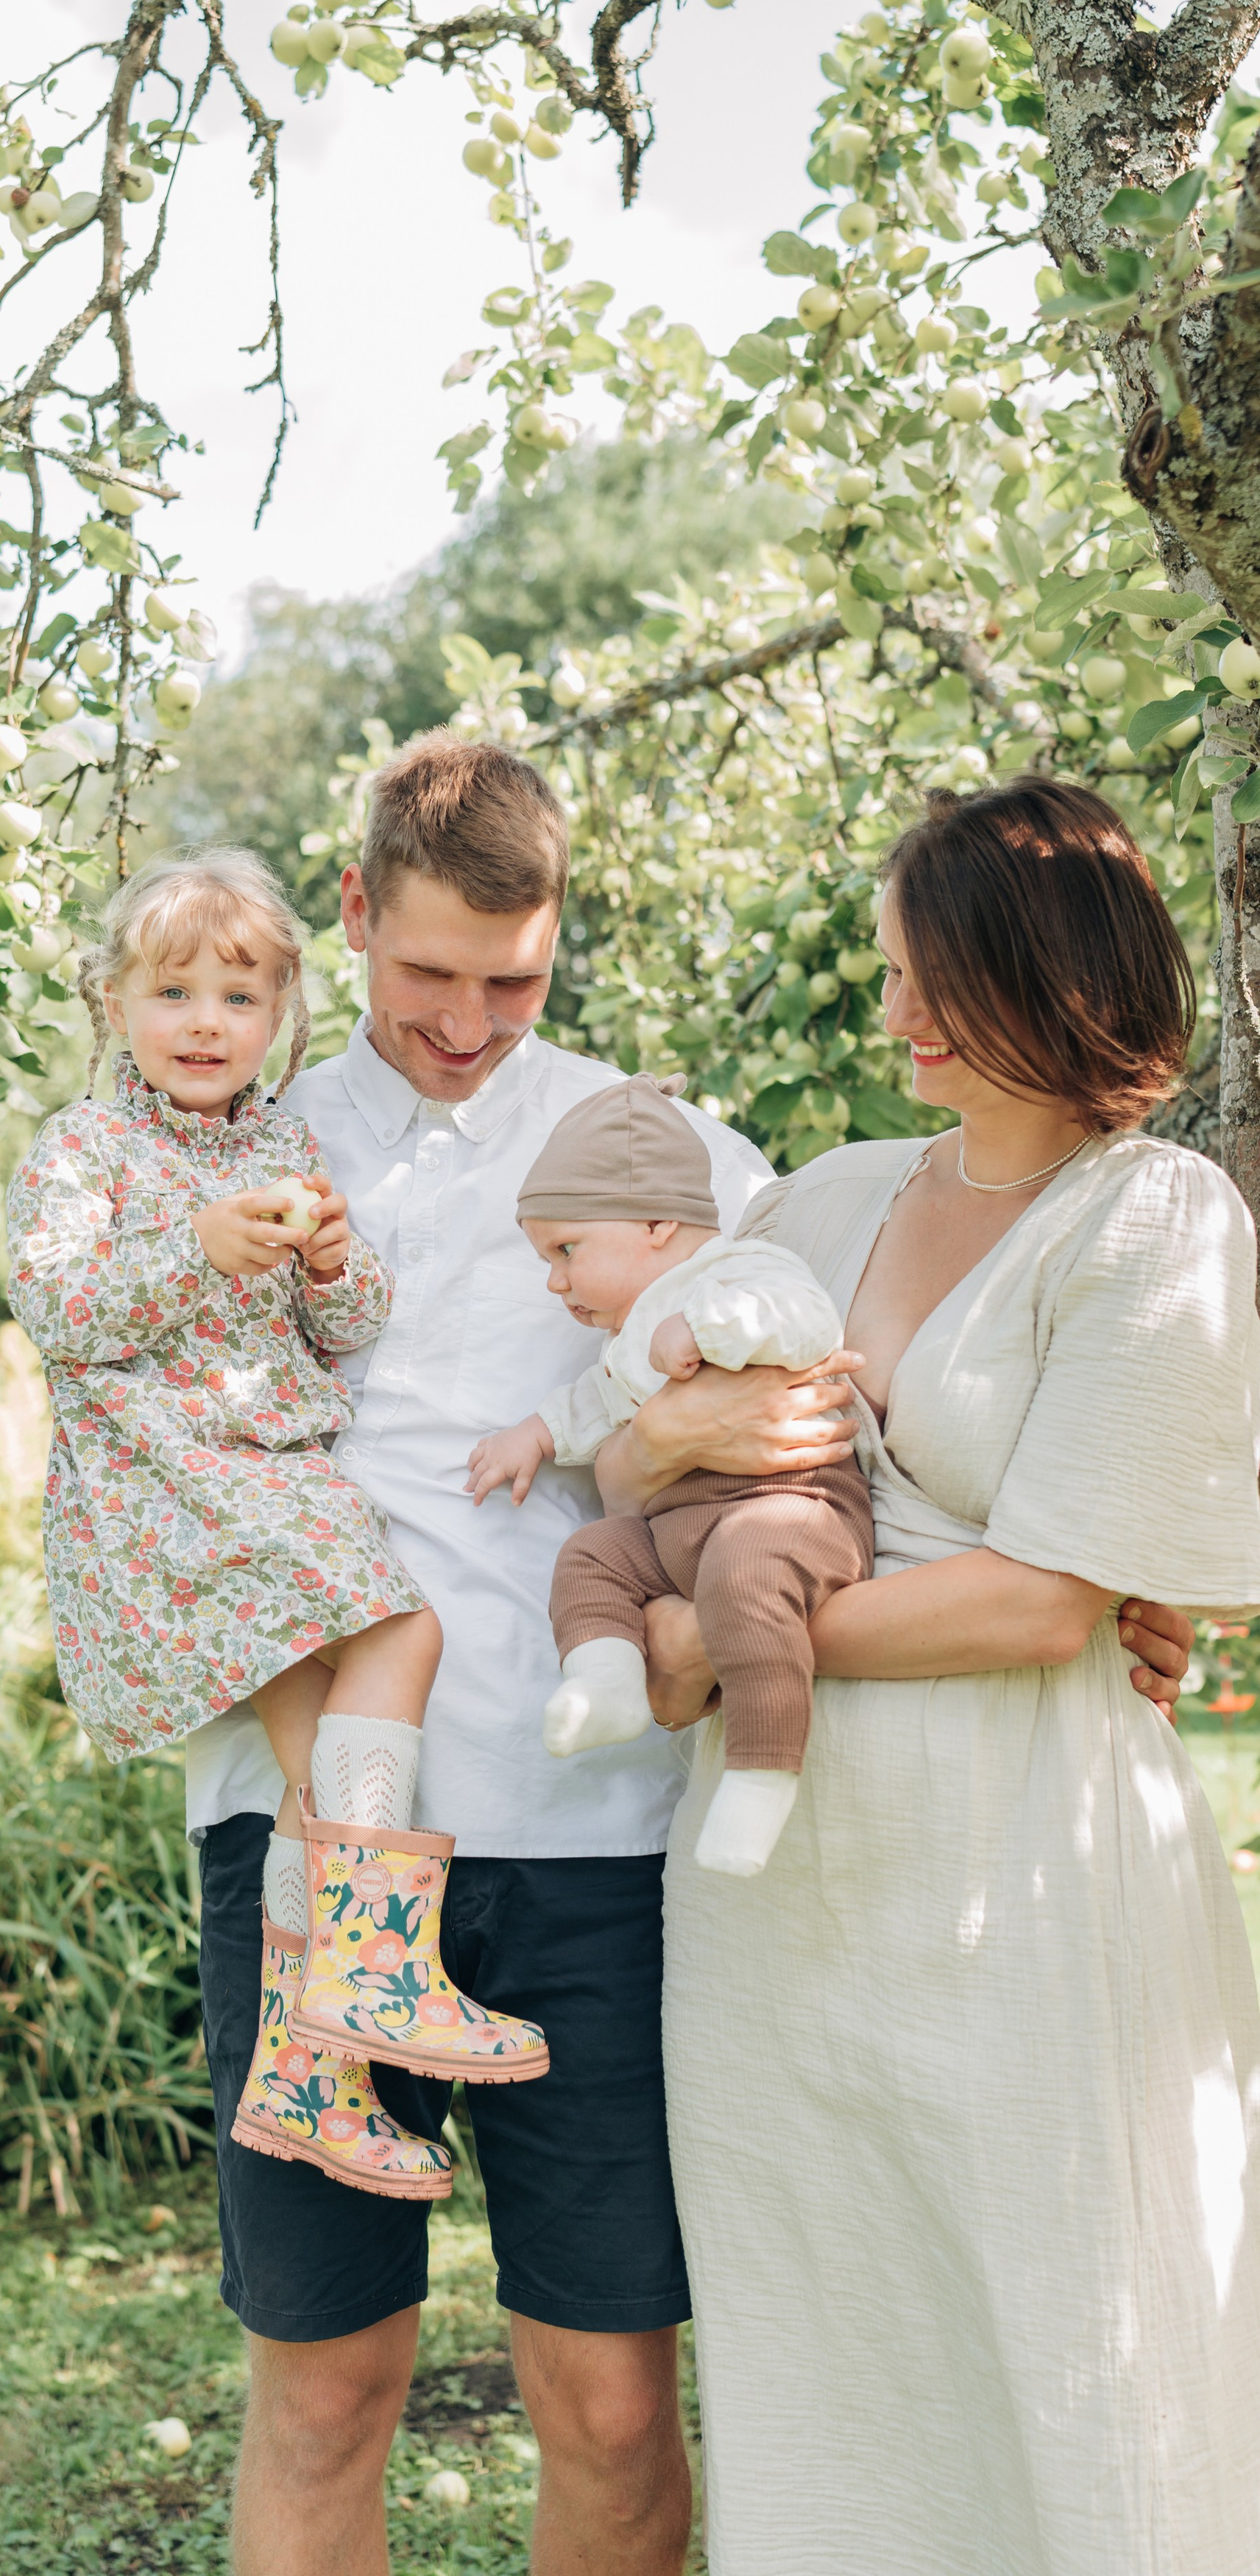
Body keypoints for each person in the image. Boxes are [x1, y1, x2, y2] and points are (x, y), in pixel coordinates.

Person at [192, 736, 1192, 2576]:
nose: (469, 1018)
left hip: (596, 1849)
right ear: (349, 919)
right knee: (324, 2390)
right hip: (309, 1846)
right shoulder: (228, 1137)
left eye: (513, 975)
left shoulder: (677, 1162)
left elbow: (850, 1414)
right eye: (426, 976)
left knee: (608, 2403)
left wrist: (1110, 1578)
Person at [611, 778, 1260, 2575]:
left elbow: (1041, 1602)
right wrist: (671, 1426)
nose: (886, 1014)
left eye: (923, 978)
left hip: (1020, 1881)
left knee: (1070, 2336)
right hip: (775, 1912)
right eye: (885, 971)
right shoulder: (819, 1203)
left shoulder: (1152, 1221)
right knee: (824, 2351)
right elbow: (635, 1449)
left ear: (1036, 975)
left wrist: (700, 1643)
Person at [4, 847, 546, 2215]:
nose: (204, 1023)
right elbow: (61, 1309)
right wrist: (197, 1244)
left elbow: (344, 1327)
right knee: (397, 1643)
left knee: (332, 1776)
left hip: (269, 1491)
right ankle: (365, 1992)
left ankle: (312, 2075)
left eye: (236, 1000)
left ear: (283, 1015)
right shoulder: (85, 1147)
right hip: (173, 1504)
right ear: (113, 1003)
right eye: (172, 991)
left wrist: (326, 1259)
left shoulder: (281, 1144)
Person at [466, 1072, 872, 1875]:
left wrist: (709, 1326)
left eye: (565, 1251)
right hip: (678, 1528)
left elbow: (804, 1320)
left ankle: (762, 1771)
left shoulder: (738, 1270)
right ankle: (606, 1679)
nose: (554, 1280)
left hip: (789, 1508)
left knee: (746, 1575)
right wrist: (535, 1434)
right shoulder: (629, 1335)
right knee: (592, 1556)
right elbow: (596, 1400)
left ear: (656, 1222)